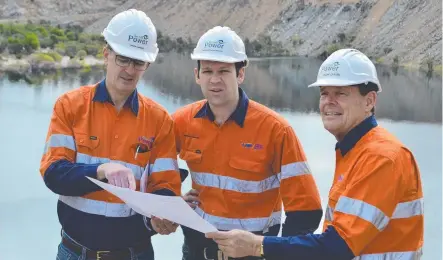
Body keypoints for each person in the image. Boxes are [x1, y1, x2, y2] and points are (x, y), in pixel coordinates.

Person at [206, 48, 424, 260]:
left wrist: (257, 246)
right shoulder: (355, 151)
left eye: (341, 93)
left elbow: (338, 247)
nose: (329, 102)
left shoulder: (382, 157)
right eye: (324, 93)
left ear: (369, 101)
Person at [39, 9, 182, 260]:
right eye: (122, 59)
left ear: (147, 65)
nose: (129, 69)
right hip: (75, 252)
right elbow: (54, 175)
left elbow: (166, 187)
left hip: (134, 254)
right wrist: (101, 170)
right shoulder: (70, 106)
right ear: (107, 55)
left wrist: (163, 216)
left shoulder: (159, 120)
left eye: (138, 62)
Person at [172, 26, 323, 260]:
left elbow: (307, 211)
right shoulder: (182, 122)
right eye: (208, 71)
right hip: (196, 250)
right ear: (197, 75)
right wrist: (172, 202)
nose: (214, 79)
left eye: (224, 71)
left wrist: (272, 250)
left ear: (240, 74)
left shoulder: (275, 130)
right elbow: (153, 168)